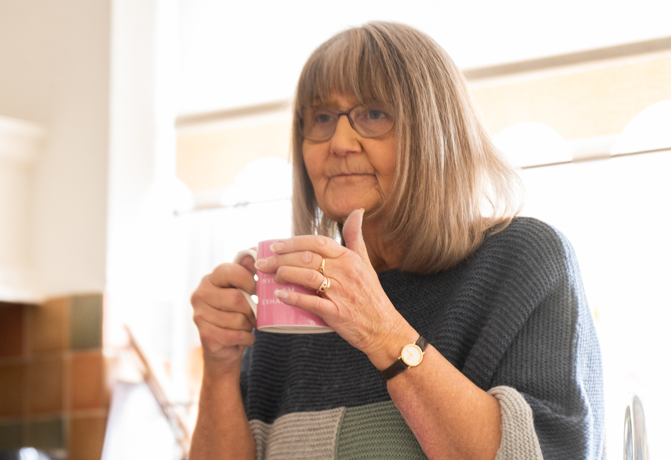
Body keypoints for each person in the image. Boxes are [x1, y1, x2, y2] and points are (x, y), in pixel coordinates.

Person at [189, 22, 604, 460]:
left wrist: (381, 330)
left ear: (434, 130)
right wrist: (220, 367)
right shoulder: (294, 300)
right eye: (322, 118)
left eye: (374, 114)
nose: (340, 142)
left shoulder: (523, 261)